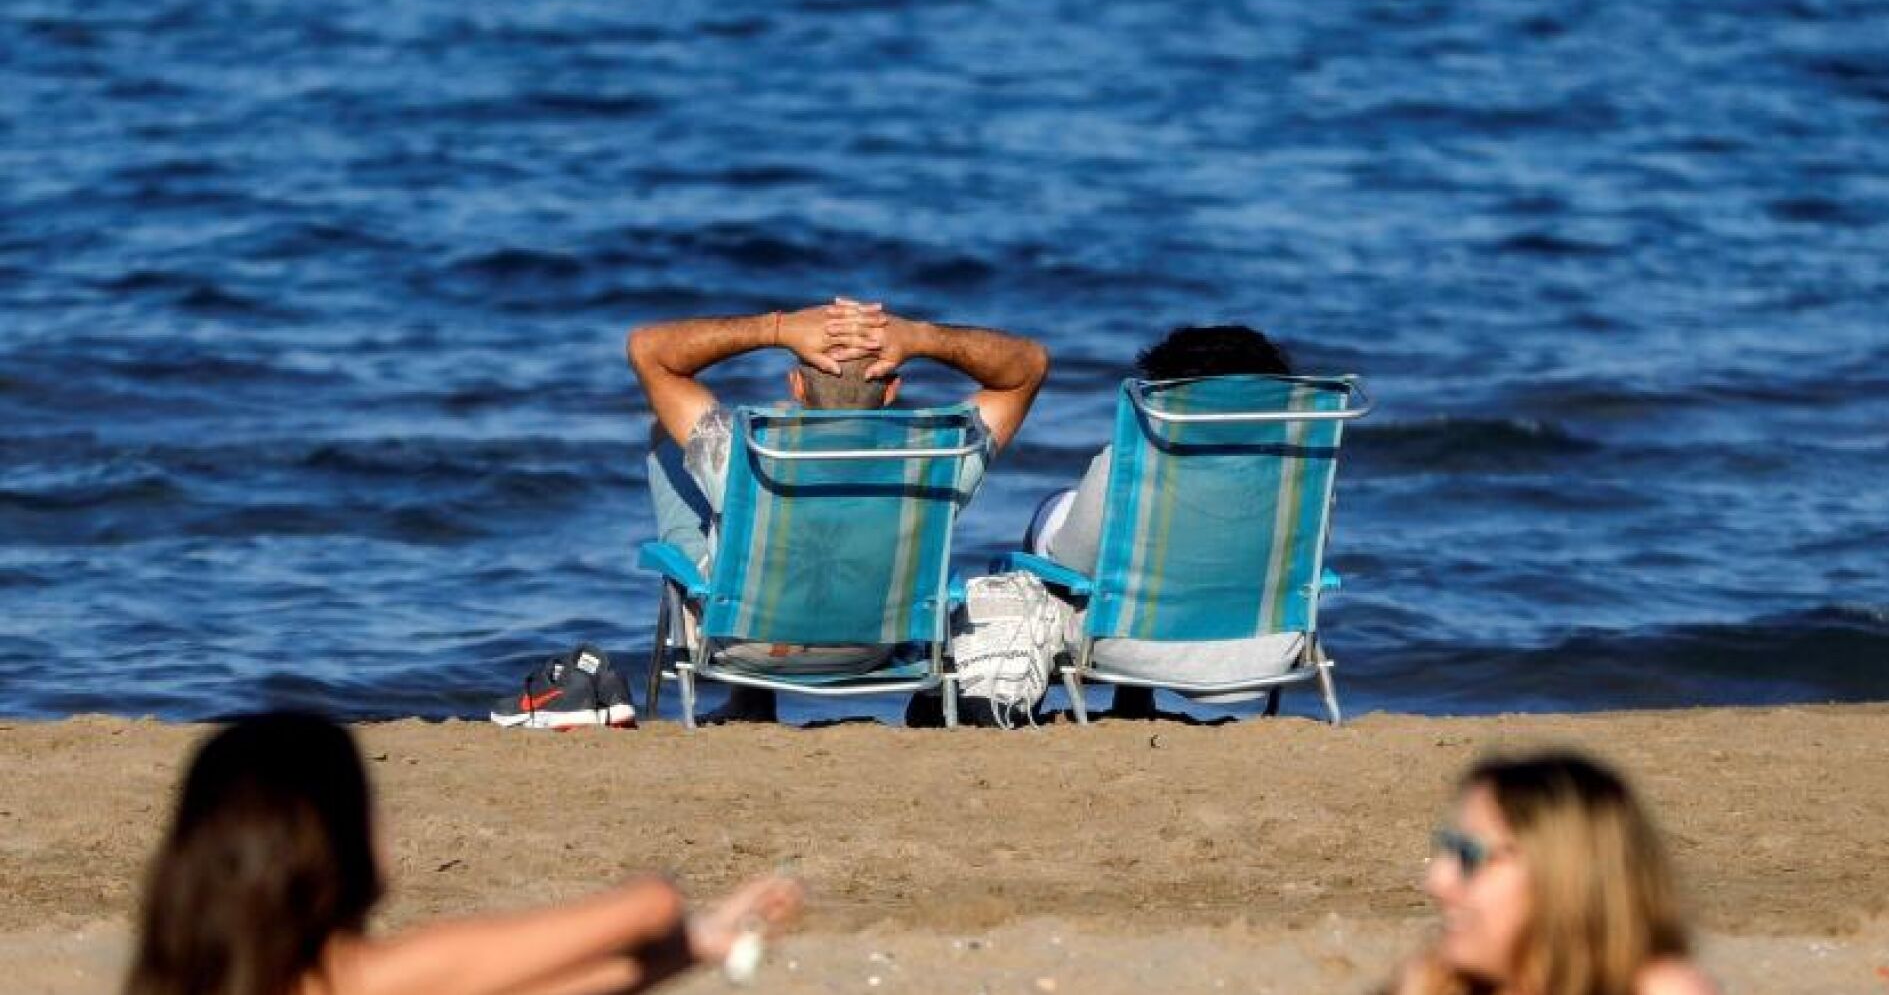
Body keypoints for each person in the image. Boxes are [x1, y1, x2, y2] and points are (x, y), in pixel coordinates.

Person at [124, 711, 802, 995]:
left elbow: (535, 986)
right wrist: (667, 906)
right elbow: (648, 905)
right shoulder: (362, 976)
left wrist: (698, 943)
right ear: (325, 840)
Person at [629, 298, 1047, 722]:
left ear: (796, 384)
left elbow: (648, 349)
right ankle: (751, 697)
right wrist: (921, 337)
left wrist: (776, 329)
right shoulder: (939, 455)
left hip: (741, 645)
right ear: (891, 389)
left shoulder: (742, 451)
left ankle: (750, 701)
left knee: (672, 438)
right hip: (875, 649)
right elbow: (1028, 366)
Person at [1025, 324, 1296, 718]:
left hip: (1137, 650)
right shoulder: (1303, 472)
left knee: (1056, 517)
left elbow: (1073, 562)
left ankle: (1106, 697)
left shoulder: (1127, 465)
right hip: (1268, 652)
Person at [1388, 750, 1718, 995]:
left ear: (1568, 877)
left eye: (1470, 855)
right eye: (1448, 847)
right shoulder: (1431, 983)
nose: (1435, 881)